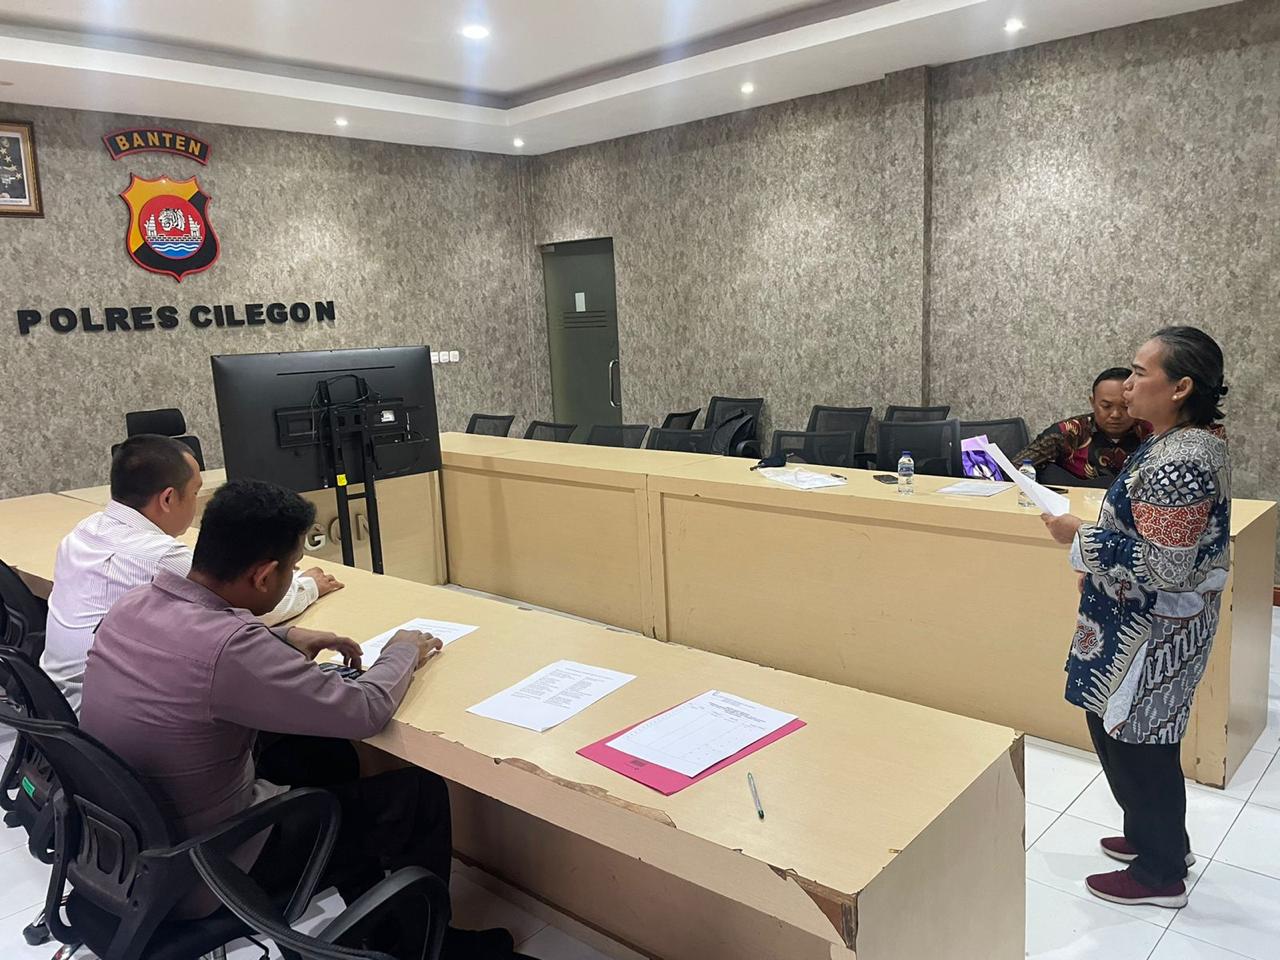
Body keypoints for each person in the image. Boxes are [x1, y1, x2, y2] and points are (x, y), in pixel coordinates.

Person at [81, 478, 522, 958]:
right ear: (264, 575)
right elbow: (364, 710)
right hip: (205, 871)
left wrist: (283, 638)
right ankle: (428, 946)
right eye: (292, 569)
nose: (293, 576)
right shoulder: (231, 649)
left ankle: (381, 927)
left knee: (321, 755)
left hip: (121, 852)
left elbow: (198, 651)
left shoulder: (133, 605)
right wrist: (402, 651)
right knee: (418, 794)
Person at [1041, 327, 1230, 909]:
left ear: (1181, 387)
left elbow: (1168, 566)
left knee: (1138, 742)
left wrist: (1082, 538)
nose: (1126, 384)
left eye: (1140, 372)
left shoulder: (1182, 460)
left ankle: (1159, 873)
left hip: (1153, 631)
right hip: (1137, 618)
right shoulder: (1175, 442)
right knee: (1131, 734)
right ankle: (1158, 839)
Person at [42, 434, 342, 711]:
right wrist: (309, 586)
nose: (198, 503)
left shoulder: (82, 531)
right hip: (104, 709)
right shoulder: (162, 557)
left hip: (54, 703)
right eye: (196, 492)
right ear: (168, 499)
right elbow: (251, 605)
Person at [1014, 368, 1152, 487]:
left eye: (1125, 406)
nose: (1115, 414)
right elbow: (1015, 468)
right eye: (1106, 406)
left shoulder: (1153, 433)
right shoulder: (1068, 431)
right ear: (1093, 402)